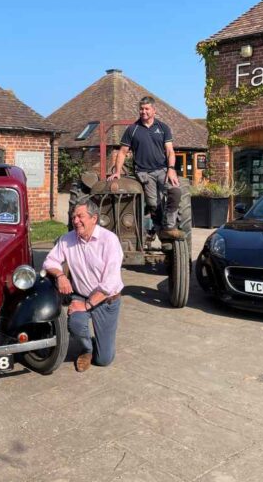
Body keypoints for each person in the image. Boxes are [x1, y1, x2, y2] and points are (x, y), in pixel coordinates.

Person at [43, 198, 123, 372]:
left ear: (94, 218)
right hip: (81, 294)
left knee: (104, 359)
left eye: (80, 216)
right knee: (76, 323)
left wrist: (86, 305)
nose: (76, 221)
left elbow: (111, 283)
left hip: (106, 300)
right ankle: (87, 348)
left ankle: (99, 346)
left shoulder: (109, 240)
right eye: (73, 217)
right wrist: (61, 275)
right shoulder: (67, 239)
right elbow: (50, 261)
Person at [107, 95, 184, 239]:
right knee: (154, 203)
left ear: (154, 110)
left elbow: (169, 151)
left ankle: (168, 226)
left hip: (162, 170)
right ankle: (159, 229)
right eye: (141, 109)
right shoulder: (132, 129)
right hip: (143, 172)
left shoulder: (163, 128)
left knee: (176, 191)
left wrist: (171, 169)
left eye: (147, 109)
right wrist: (117, 171)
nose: (144, 112)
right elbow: (123, 152)